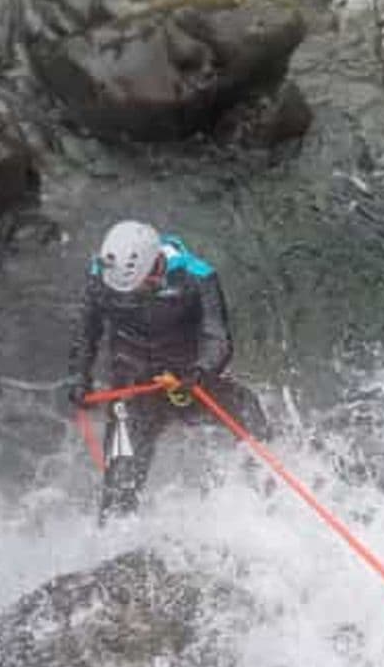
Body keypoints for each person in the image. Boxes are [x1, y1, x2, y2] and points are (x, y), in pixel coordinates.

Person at [68, 219, 269, 521]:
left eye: (139, 286)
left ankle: (268, 503)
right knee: (119, 489)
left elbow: (217, 338)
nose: (131, 295)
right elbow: (86, 333)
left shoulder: (197, 276)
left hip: (188, 379)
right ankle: (114, 544)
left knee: (248, 410)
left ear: (156, 266)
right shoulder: (100, 276)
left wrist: (200, 373)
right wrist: (79, 376)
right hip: (133, 384)